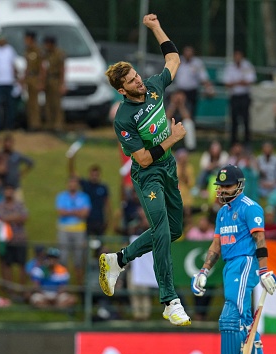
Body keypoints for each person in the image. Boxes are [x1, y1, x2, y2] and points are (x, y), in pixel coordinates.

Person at [100, 14, 191, 326]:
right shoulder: (124, 118)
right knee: (163, 230)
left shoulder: (154, 87)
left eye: (137, 75)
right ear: (122, 91)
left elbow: (174, 58)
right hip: (148, 173)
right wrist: (173, 139)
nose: (138, 80)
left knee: (176, 230)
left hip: (167, 167)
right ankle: (170, 300)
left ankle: (119, 259)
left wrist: (155, 28)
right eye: (131, 81)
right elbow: (141, 160)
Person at [191, 164, 276, 354]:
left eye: (227, 186)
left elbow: (260, 240)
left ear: (239, 186)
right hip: (230, 265)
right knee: (244, 320)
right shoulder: (222, 213)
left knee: (230, 317)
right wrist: (204, 271)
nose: (222, 190)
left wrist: (264, 270)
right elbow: (216, 245)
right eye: (220, 186)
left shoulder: (251, 208)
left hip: (245, 262)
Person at [56, 176, 91, 284]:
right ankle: (62, 284)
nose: (72, 185)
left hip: (79, 230)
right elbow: (61, 212)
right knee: (63, 258)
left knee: (79, 259)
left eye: (74, 183)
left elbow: (85, 213)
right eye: (70, 183)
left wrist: (69, 212)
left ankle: (80, 286)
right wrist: (77, 212)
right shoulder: (61, 196)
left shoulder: (84, 196)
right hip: (64, 230)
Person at [0, 183, 29, 288]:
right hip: (7, 240)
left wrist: (9, 218)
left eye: (10, 190)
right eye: (6, 190)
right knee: (7, 264)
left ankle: (21, 288)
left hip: (20, 239)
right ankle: (10, 288)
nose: (8, 192)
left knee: (22, 264)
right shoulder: (0, 205)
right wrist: (16, 217)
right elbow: (1, 218)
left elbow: (24, 217)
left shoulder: (20, 204)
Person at [172, 45, 215, 121]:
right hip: (180, 91)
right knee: (177, 112)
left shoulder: (197, 63)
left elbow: (203, 77)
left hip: (192, 91)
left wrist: (209, 88)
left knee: (190, 112)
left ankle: (189, 128)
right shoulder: (179, 61)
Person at [223, 50, 257, 145]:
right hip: (234, 97)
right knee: (234, 120)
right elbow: (227, 83)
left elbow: (250, 80)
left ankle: (247, 142)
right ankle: (234, 143)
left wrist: (236, 83)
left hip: (244, 96)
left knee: (246, 120)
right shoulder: (230, 67)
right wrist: (240, 82)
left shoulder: (247, 66)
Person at [2, 134, 34, 200]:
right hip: (3, 187)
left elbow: (31, 162)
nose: (8, 144)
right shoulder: (0, 155)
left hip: (15, 186)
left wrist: (22, 173)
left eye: (10, 142)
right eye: (6, 142)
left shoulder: (16, 155)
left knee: (19, 207)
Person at [43, 36, 65, 132]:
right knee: (48, 103)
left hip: (56, 79)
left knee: (56, 103)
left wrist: (62, 84)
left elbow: (62, 70)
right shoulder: (46, 54)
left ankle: (58, 124)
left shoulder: (59, 54)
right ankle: (50, 124)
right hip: (48, 79)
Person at [23, 31, 44, 131]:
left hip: (35, 78)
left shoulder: (38, 51)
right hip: (29, 78)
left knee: (35, 103)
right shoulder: (27, 51)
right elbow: (27, 66)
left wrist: (40, 81)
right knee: (30, 102)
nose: (25, 41)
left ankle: (36, 124)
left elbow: (42, 67)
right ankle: (31, 124)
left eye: (26, 39)